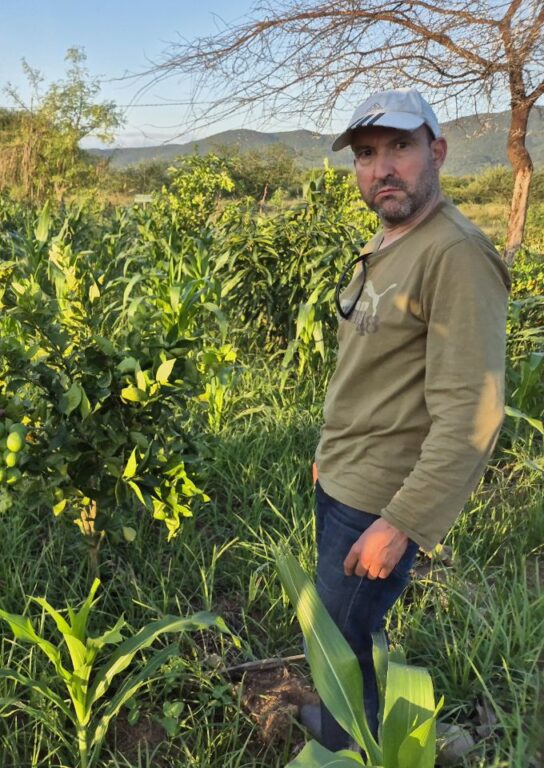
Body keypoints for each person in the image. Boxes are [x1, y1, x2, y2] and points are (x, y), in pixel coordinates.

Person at [308, 89, 510, 750]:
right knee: (343, 637)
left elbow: (472, 412)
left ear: (438, 152)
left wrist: (402, 523)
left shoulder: (454, 254)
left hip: (378, 500)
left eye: (400, 147)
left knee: (346, 644)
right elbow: (372, 368)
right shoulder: (393, 235)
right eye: (366, 155)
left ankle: (354, 748)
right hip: (343, 477)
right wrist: (328, 449)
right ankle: (349, 723)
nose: (381, 168)